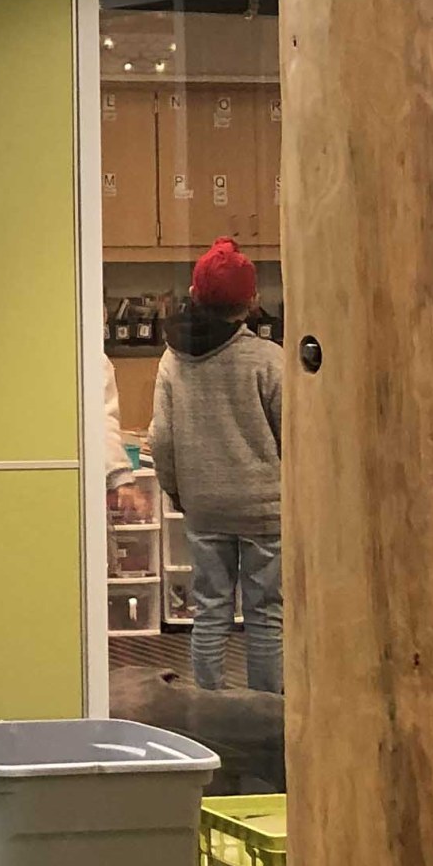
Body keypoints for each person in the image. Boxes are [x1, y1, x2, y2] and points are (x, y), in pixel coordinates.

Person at [149, 235, 281, 693]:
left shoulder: (173, 358)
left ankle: (206, 710)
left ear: (193, 295)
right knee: (266, 614)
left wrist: (177, 490)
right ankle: (268, 715)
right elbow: (295, 438)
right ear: (252, 302)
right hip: (266, 508)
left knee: (210, 610)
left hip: (203, 504)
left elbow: (160, 438)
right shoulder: (268, 360)